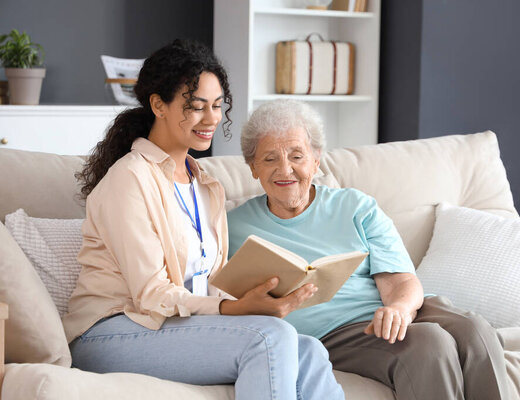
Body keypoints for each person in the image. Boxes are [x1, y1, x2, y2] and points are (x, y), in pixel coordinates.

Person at [63, 40, 344, 400]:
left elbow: (210, 282)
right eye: (196, 107)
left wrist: (259, 297)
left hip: (178, 326)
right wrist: (234, 310)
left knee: (310, 350)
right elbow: (151, 295)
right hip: (111, 332)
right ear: (158, 105)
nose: (211, 119)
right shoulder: (129, 178)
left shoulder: (206, 184)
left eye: (216, 106)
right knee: (268, 338)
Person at [227, 99, 511, 400]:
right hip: (335, 334)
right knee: (428, 343)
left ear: (316, 160)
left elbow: (401, 281)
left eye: (297, 156)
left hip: (393, 307)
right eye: (270, 159)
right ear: (253, 167)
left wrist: (398, 309)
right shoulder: (230, 228)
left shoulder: (355, 206)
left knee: (476, 330)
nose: (286, 170)